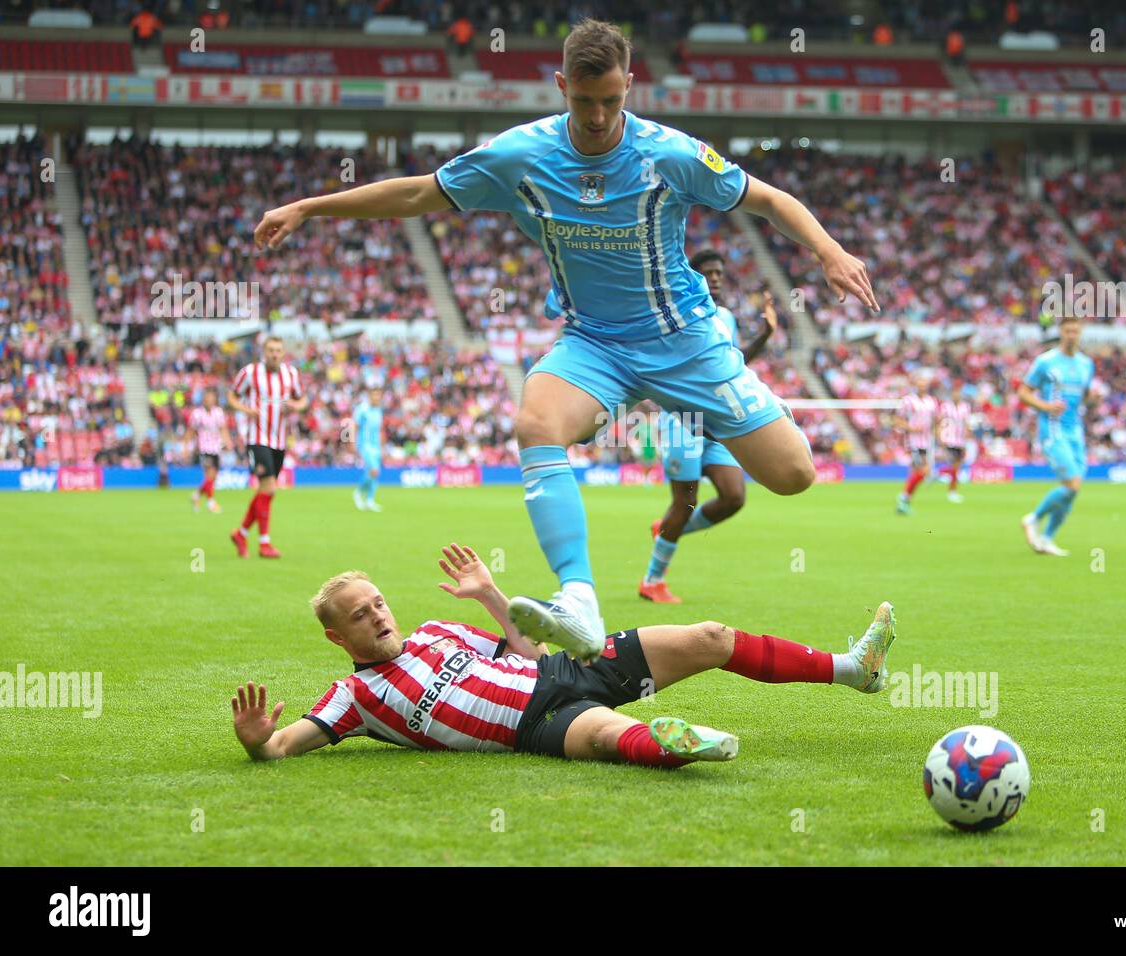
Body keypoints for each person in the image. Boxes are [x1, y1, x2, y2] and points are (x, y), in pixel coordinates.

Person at [252, 18, 878, 660]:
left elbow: (769, 199)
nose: (600, 115)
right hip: (594, 344)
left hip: (685, 339)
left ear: (630, 84)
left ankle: (740, 398)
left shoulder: (671, 153)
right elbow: (417, 193)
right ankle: (578, 598)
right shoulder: (520, 156)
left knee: (794, 474)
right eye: (585, 101)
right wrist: (310, 206)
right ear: (561, 87)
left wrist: (829, 252)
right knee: (535, 423)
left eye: (612, 99)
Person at [229, 543, 898, 766]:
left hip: (557, 669)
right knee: (612, 736)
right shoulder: (352, 701)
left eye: (377, 604)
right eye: (360, 616)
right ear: (337, 637)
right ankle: (680, 745)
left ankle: (854, 669)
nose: (377, 616)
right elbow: (285, 746)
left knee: (711, 638)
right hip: (535, 726)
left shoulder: (437, 630)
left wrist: (491, 596)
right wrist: (260, 742)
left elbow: (523, 645)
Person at [640, 248, 778, 603]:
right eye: (708, 273)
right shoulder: (677, 315)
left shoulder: (727, 317)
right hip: (684, 419)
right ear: (692, 276)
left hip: (716, 421)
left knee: (733, 497)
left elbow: (733, 361)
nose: (715, 278)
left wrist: (765, 333)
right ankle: (652, 580)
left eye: (719, 273)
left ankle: (668, 530)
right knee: (684, 503)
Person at [1018, 316, 1095, 557]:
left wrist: (1094, 399)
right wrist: (1045, 406)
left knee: (1074, 488)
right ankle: (1033, 518)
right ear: (1061, 332)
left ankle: (1047, 538)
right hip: (1052, 430)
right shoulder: (1046, 361)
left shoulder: (1086, 364)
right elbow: (1023, 392)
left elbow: (1084, 396)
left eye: (1076, 331)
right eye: (1068, 331)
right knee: (1072, 483)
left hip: (1075, 430)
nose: (1072, 335)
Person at [227, 337, 306, 559]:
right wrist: (246, 409)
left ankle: (241, 533)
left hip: (279, 440)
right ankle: (264, 543)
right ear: (264, 351)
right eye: (271, 350)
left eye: (278, 350)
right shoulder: (250, 372)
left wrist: (295, 406)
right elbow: (232, 396)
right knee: (270, 487)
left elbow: (303, 399)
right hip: (257, 437)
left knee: (266, 491)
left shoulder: (291, 374)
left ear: (283, 352)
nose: (274, 354)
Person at [895, 372, 938, 515]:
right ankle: (903, 497)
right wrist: (911, 428)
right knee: (924, 470)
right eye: (920, 384)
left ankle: (904, 503)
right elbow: (898, 420)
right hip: (913, 442)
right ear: (915, 385)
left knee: (916, 473)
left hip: (927, 442)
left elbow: (935, 421)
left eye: (925, 384)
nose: (922, 386)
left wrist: (937, 434)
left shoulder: (932, 402)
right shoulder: (907, 401)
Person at [189, 388, 234, 514]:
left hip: (216, 448)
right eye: (207, 398)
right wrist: (188, 446)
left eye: (212, 398)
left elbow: (223, 428)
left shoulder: (218, 412)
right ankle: (211, 502)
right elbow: (192, 430)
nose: (209, 401)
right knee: (210, 474)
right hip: (203, 448)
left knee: (212, 478)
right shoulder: (197, 413)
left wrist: (228, 442)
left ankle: (197, 495)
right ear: (203, 400)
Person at [935, 383, 971, 504]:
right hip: (948, 439)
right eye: (954, 393)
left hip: (960, 441)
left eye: (958, 393)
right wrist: (940, 436)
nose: (956, 395)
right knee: (953, 465)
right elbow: (939, 422)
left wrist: (967, 437)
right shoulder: (946, 407)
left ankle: (951, 488)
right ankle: (951, 490)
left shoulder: (965, 407)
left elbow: (966, 424)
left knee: (956, 466)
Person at [351, 386, 384, 513]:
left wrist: (381, 445)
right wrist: (352, 442)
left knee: (373, 473)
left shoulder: (378, 410)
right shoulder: (362, 409)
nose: (377, 398)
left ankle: (370, 500)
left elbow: (379, 430)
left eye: (378, 395)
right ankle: (358, 492)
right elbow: (354, 425)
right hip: (365, 445)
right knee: (374, 470)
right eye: (374, 395)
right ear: (370, 396)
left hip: (376, 446)